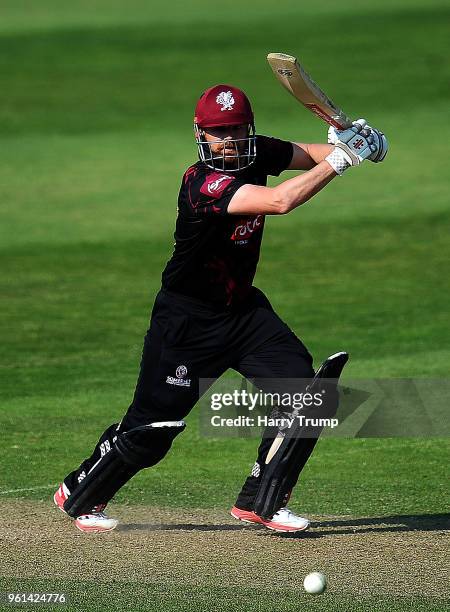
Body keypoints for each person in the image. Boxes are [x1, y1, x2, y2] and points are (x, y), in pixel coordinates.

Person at [54, 84, 387, 533]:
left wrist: (346, 139)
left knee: (306, 393)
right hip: (186, 321)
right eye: (217, 132)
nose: (227, 139)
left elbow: (310, 154)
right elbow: (279, 201)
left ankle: (261, 500)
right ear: (200, 134)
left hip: (242, 313)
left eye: (235, 129)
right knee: (152, 432)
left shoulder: (257, 152)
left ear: (247, 128)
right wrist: (345, 158)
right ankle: (81, 490)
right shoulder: (200, 184)